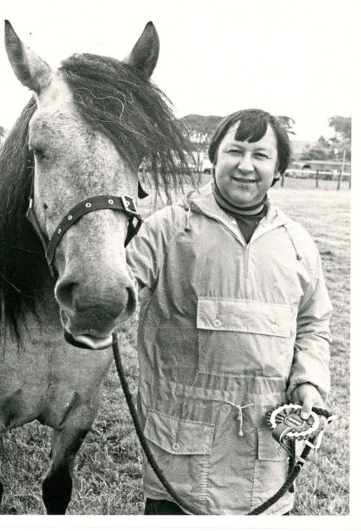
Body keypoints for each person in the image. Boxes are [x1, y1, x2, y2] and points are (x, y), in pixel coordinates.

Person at [126, 109, 331, 515]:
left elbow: (313, 323)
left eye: (261, 155)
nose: (245, 165)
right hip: (179, 458)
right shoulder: (166, 229)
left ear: (279, 171)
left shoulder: (297, 245)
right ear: (212, 158)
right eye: (234, 151)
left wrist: (309, 382)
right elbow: (116, 293)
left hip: (265, 459)